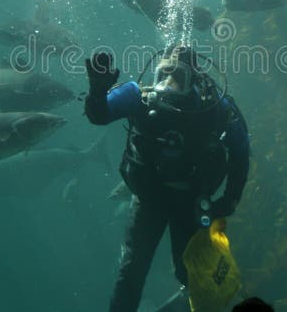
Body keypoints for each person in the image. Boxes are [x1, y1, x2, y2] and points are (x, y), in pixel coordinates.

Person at [85, 45, 250, 312]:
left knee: (192, 274)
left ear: (194, 78)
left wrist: (229, 201)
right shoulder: (138, 96)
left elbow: (241, 152)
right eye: (163, 74)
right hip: (150, 196)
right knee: (132, 271)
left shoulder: (215, 106)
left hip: (190, 199)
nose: (167, 83)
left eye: (178, 77)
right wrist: (96, 91)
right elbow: (99, 114)